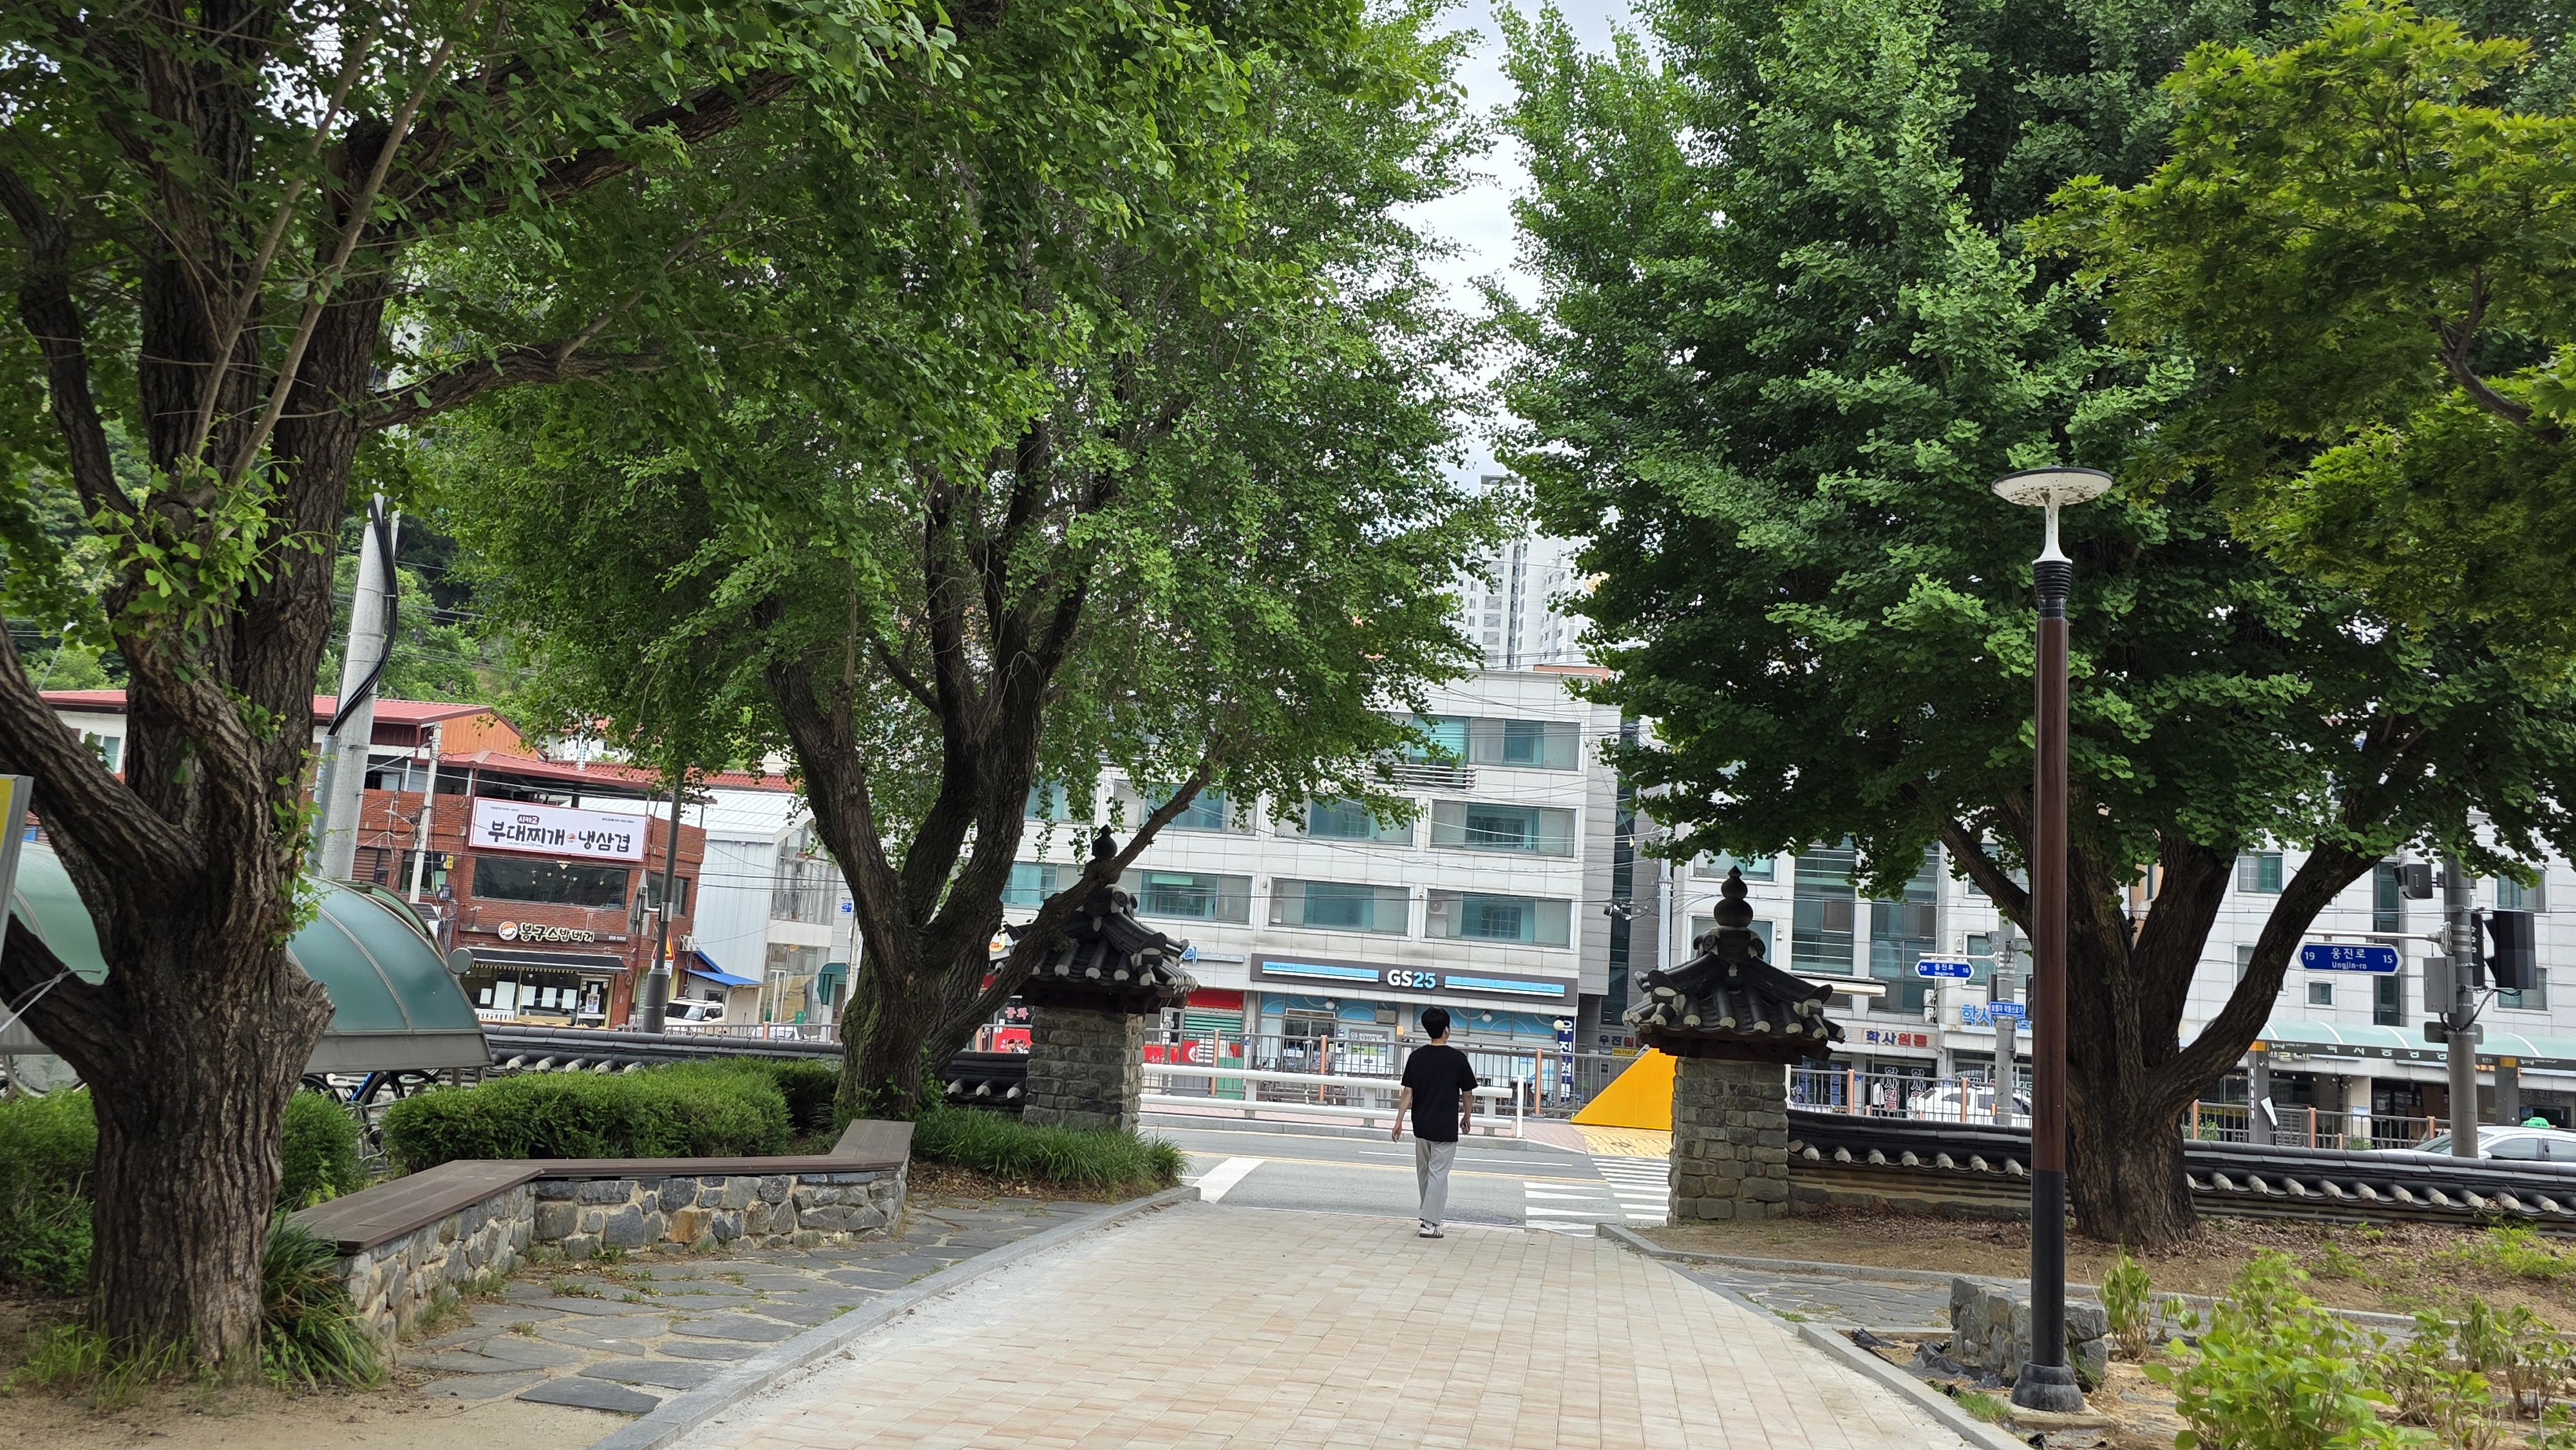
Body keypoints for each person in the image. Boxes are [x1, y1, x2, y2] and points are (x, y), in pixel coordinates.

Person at [1392, 1006, 1479, 1238]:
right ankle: (1430, 1224)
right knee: (1438, 1175)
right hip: (1445, 1127)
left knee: (1424, 1173)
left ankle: (1427, 1218)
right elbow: (1468, 1094)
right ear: (1447, 1030)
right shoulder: (1458, 1059)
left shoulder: (1416, 1057)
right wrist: (1467, 1116)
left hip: (1421, 1125)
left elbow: (1407, 1092)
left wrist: (1399, 1121)